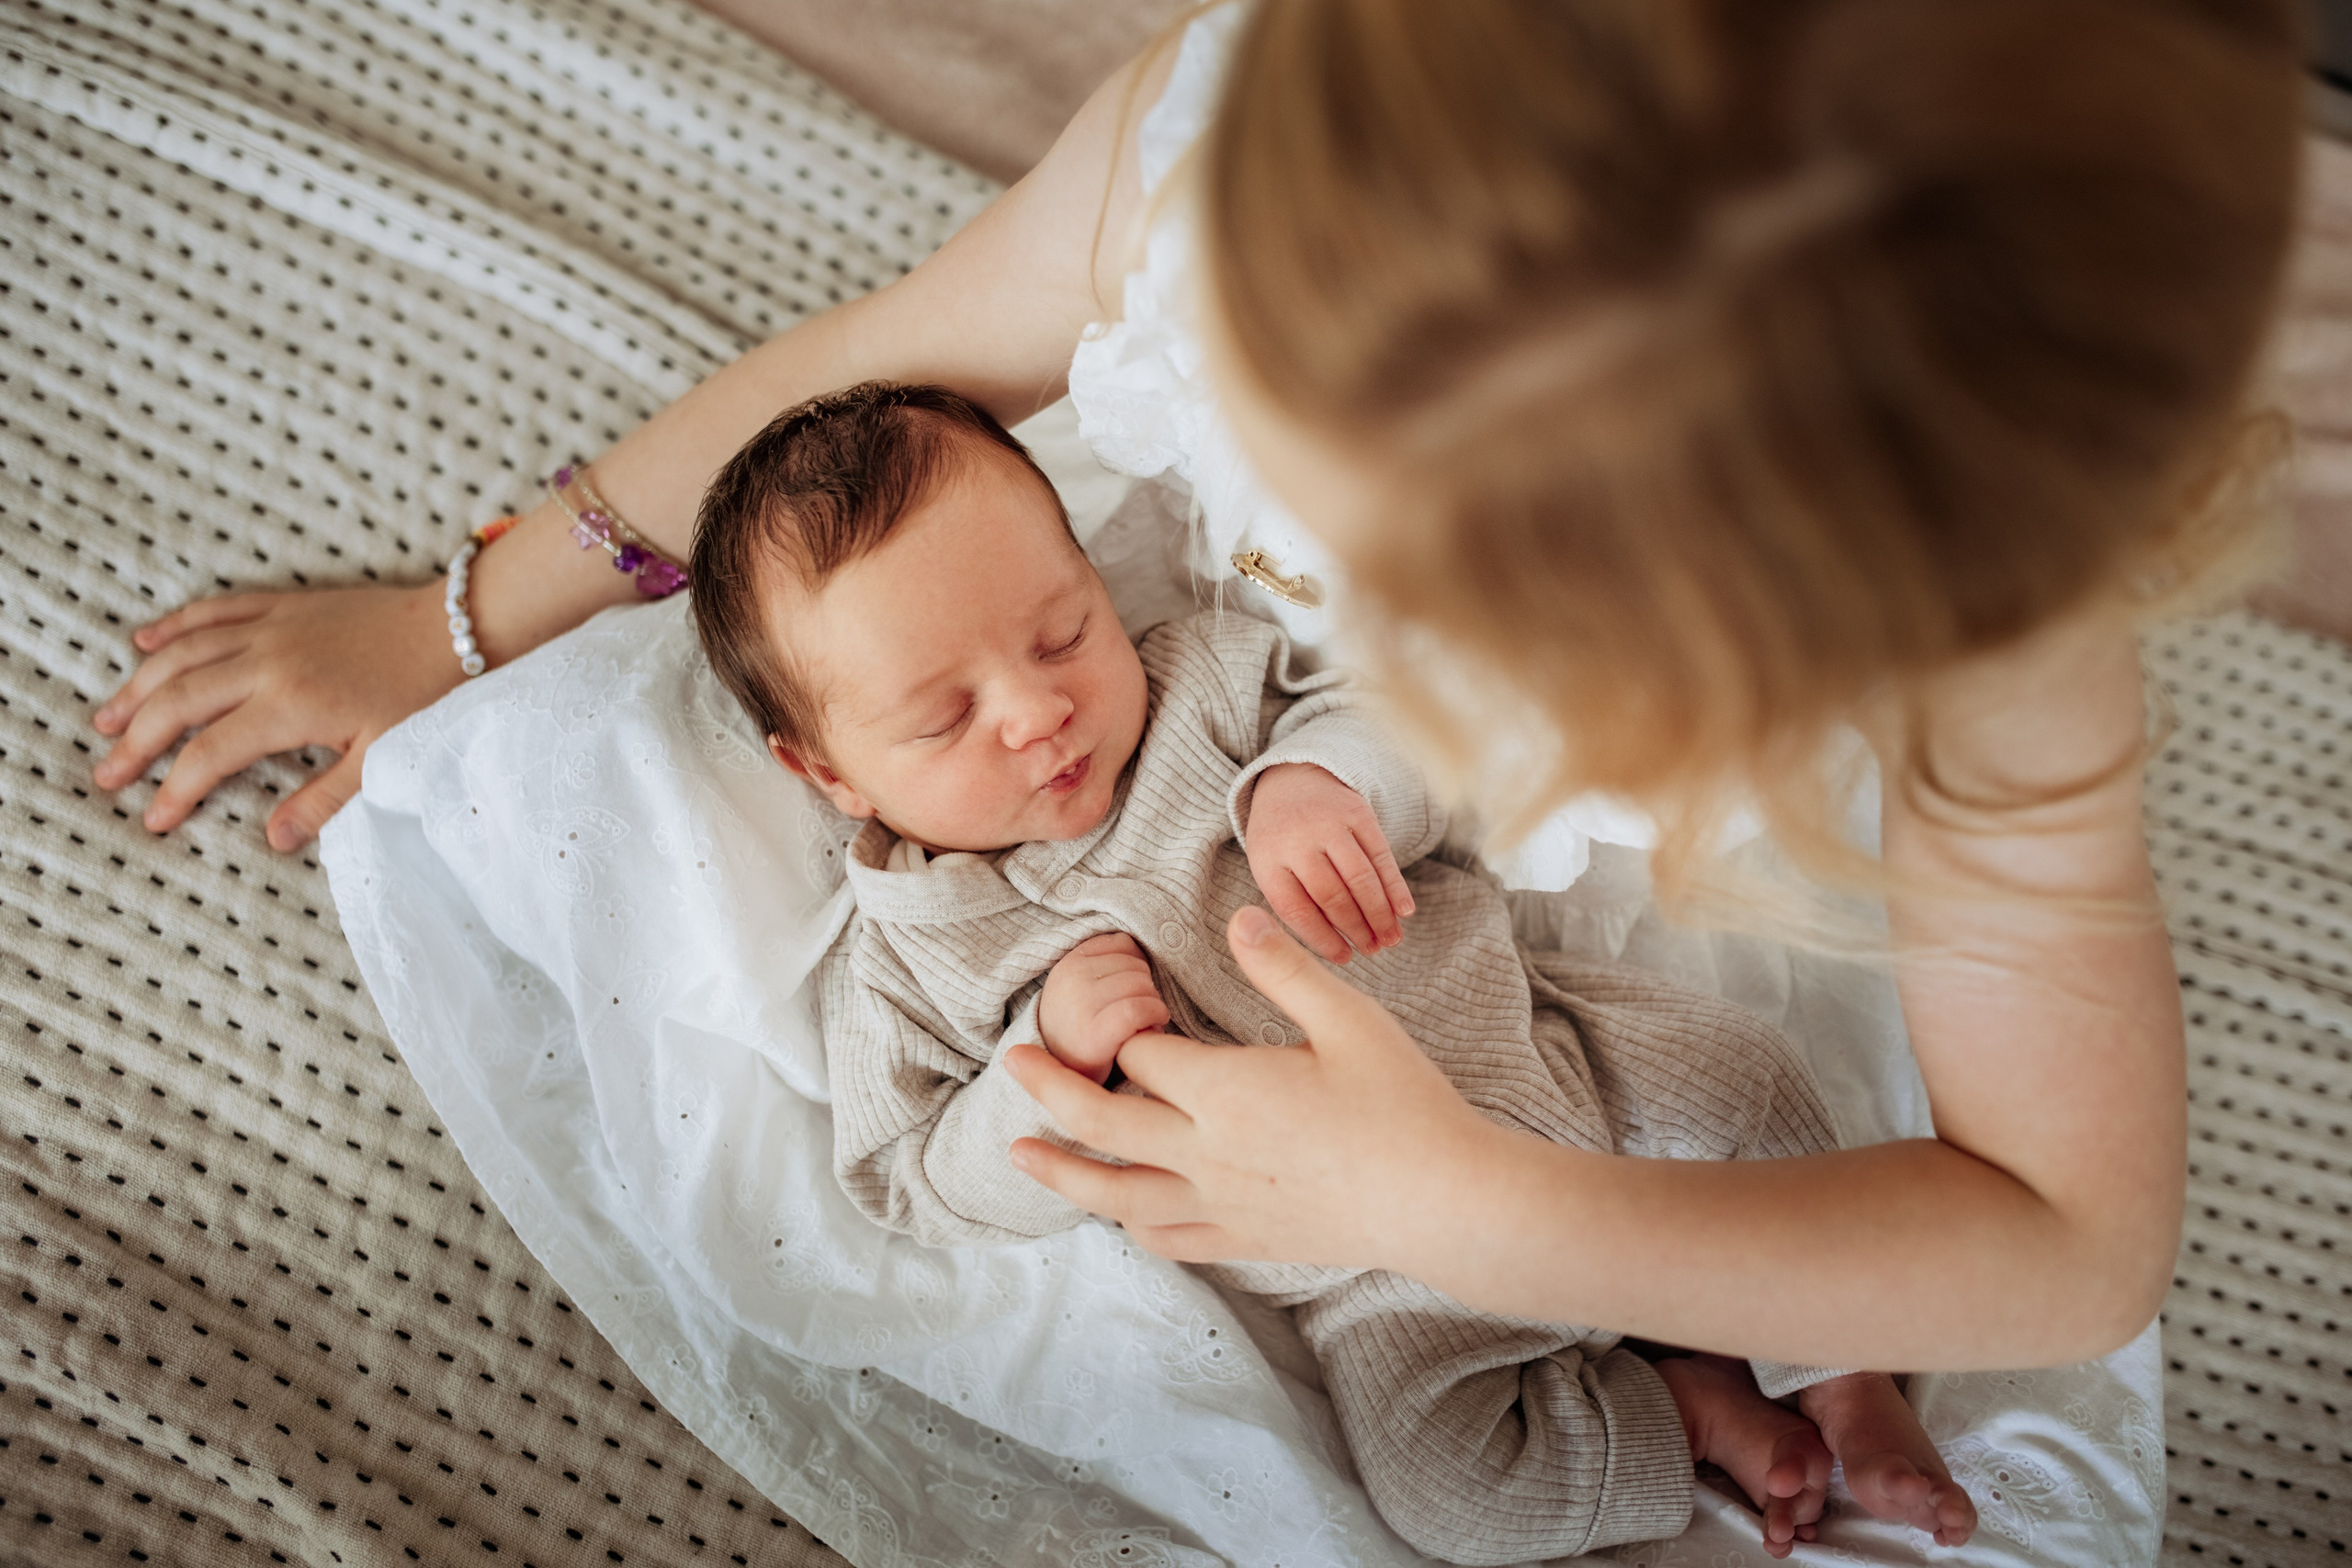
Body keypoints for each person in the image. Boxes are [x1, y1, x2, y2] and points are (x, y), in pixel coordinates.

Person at [87, 0, 2305, 1376]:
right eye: (1322, 455)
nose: (1345, 588)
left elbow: (2069, 1247)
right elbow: (874, 372)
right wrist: (471, 611)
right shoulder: (1216, 150)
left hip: (1579, 1050)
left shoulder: (1994, 635)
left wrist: (1462, 1210)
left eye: (1456, 570)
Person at [690, 378, 1973, 1561]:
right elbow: (906, 1183)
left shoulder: (1205, 684)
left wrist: (1319, 782)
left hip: (1550, 1056)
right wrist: (1038, 1068)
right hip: (1370, 1273)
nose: (1036, 713)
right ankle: (1681, 1411)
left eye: (1060, 632)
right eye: (942, 717)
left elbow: (1410, 720)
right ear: (826, 769)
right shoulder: (912, 954)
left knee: (1747, 1082)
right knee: (1449, 1493)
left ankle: (1843, 1374)